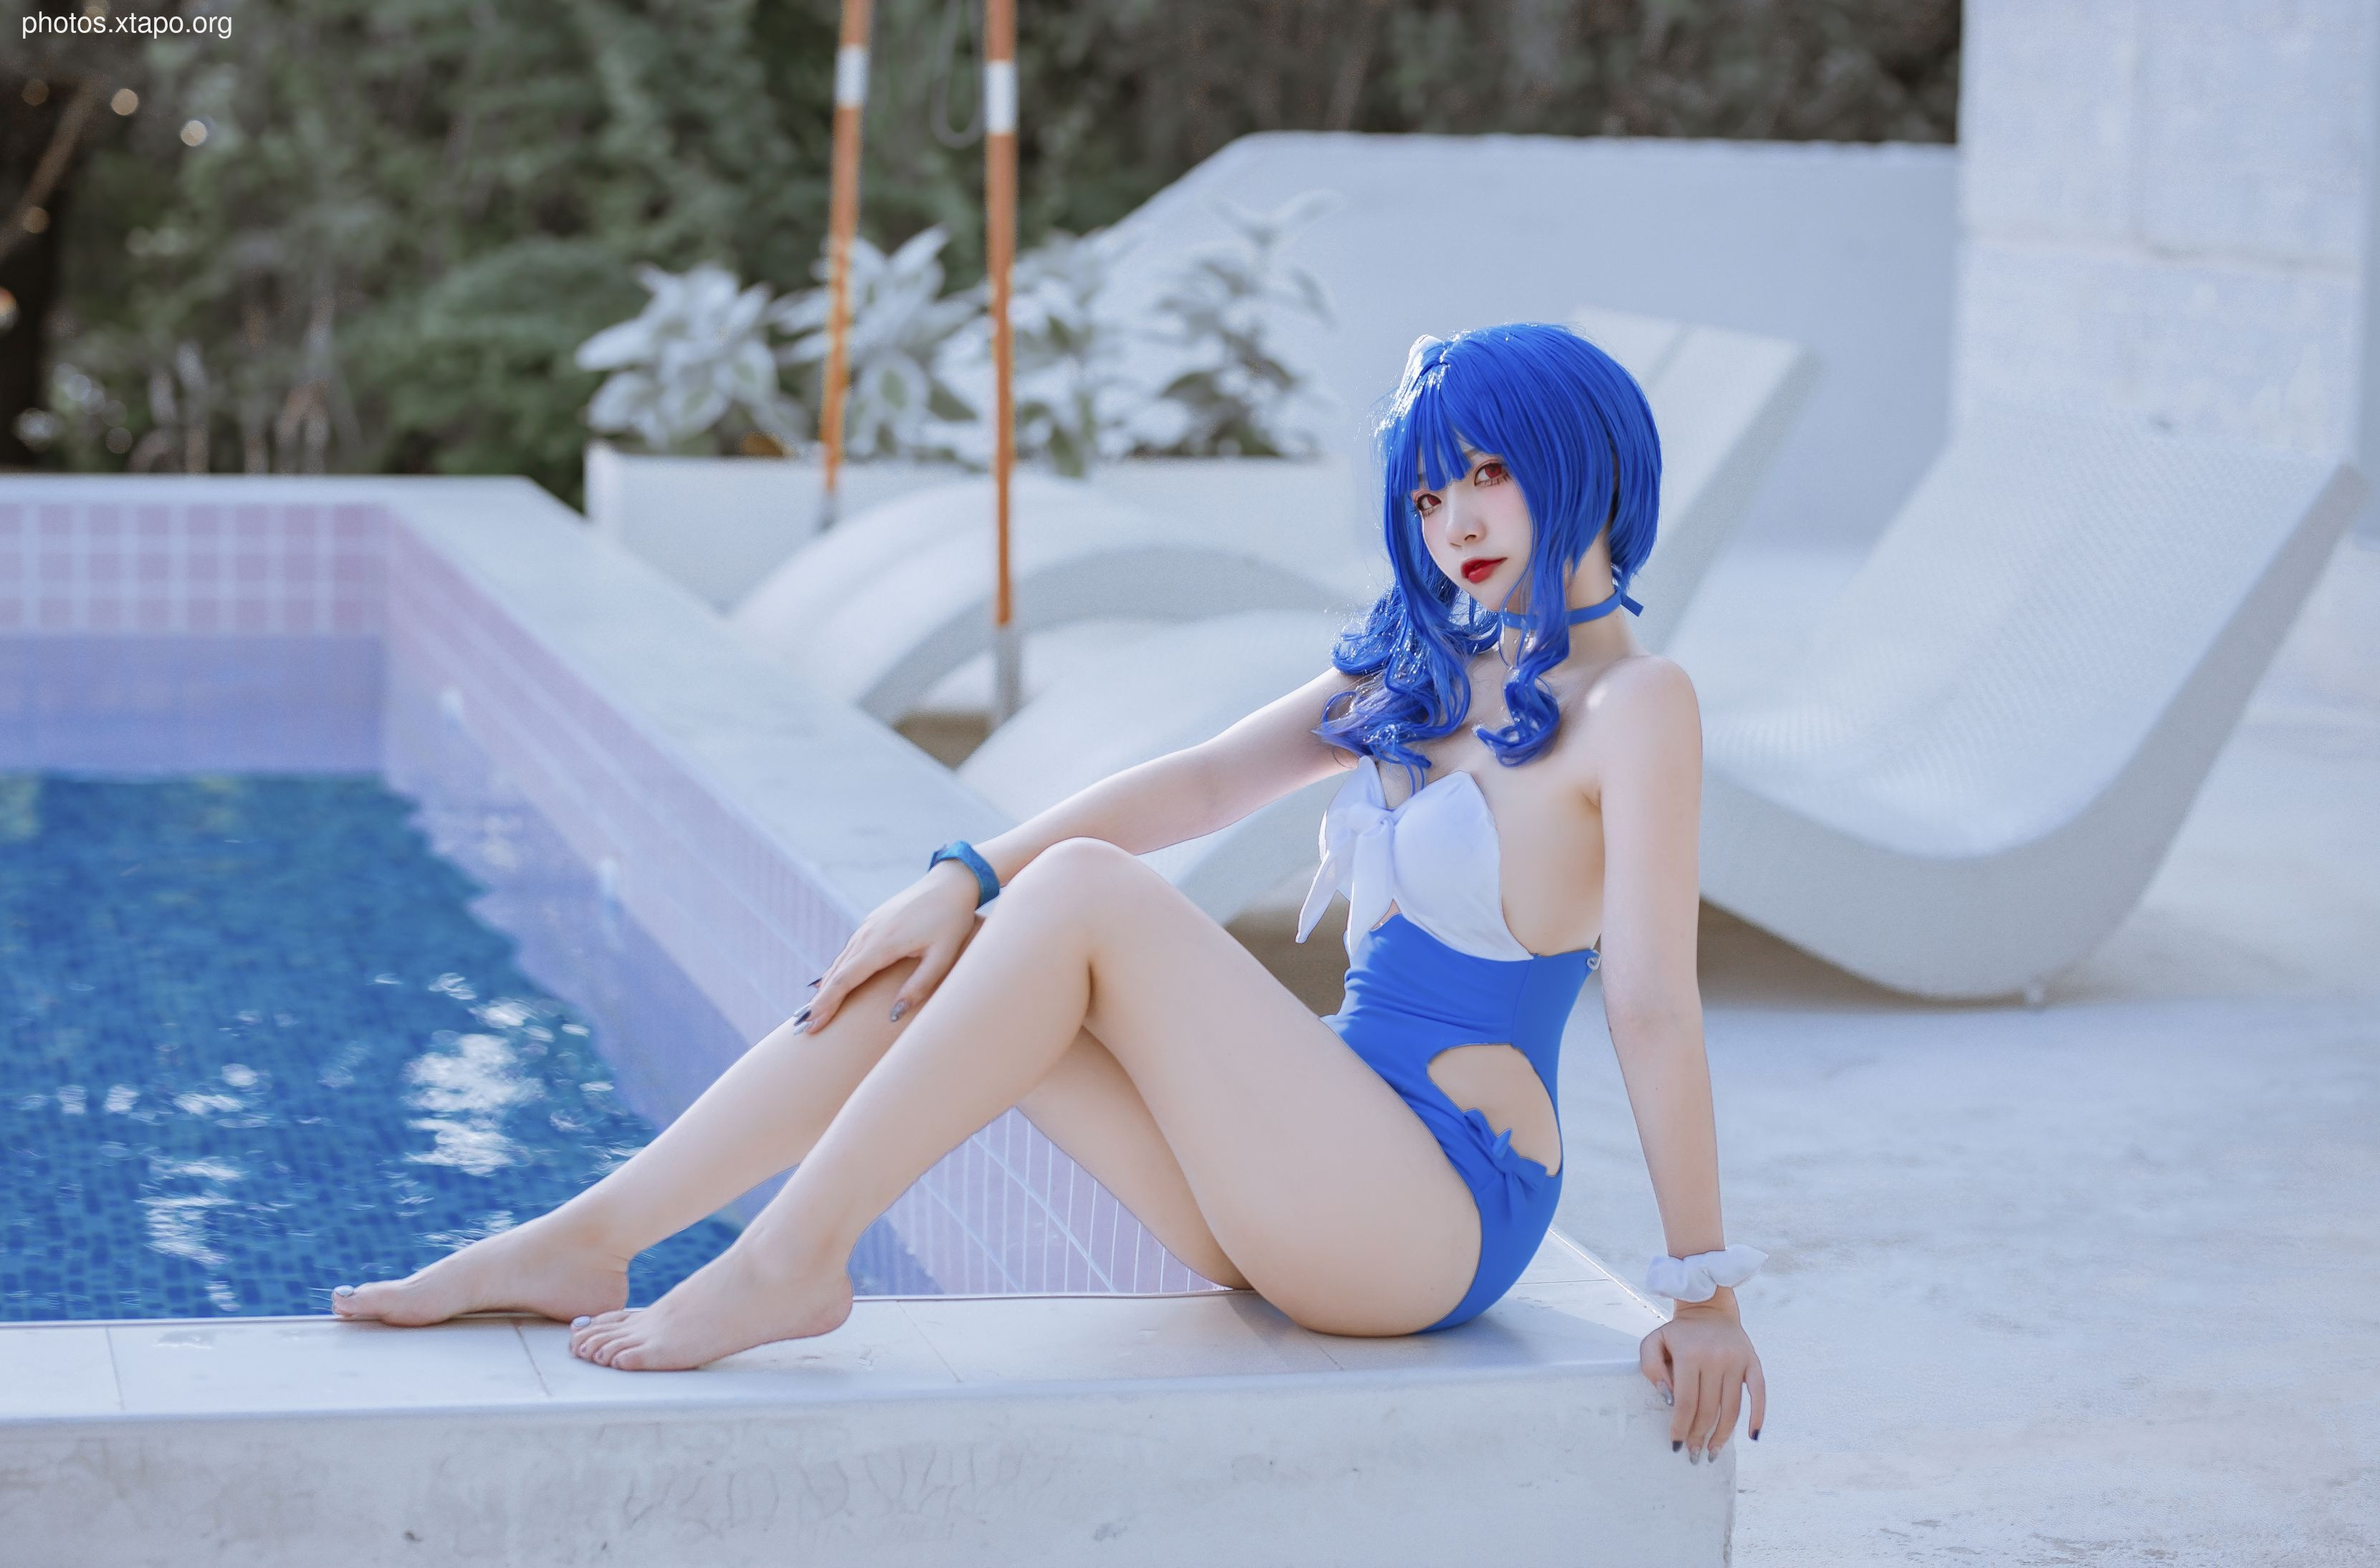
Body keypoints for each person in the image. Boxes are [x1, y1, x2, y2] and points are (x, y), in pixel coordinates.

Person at [331, 320, 1767, 1463]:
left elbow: (1650, 1000)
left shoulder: (1638, 703)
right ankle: (596, 1235)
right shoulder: (1421, 660)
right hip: (1299, 1183)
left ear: (1578, 457)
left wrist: (1699, 1288)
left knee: (1074, 889)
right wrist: (953, 882)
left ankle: (792, 1257)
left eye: (1486, 473)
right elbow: (1204, 782)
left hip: (1433, 1214)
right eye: (1425, 487)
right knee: (964, 943)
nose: (1452, 515)